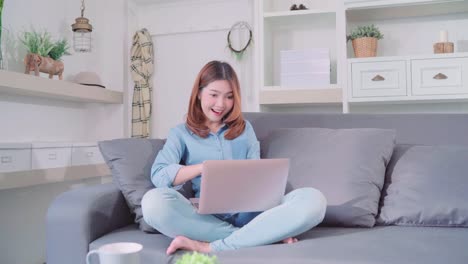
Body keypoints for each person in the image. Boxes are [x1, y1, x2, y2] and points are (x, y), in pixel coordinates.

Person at [141, 60, 327, 254]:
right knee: (153, 203)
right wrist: (203, 168)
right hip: (207, 219)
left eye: (229, 97)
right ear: (198, 93)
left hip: (253, 214)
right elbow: (159, 175)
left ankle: (211, 246)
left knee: (314, 200)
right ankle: (260, 235)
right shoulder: (181, 134)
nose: (221, 104)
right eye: (214, 95)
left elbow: (257, 173)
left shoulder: (245, 129)